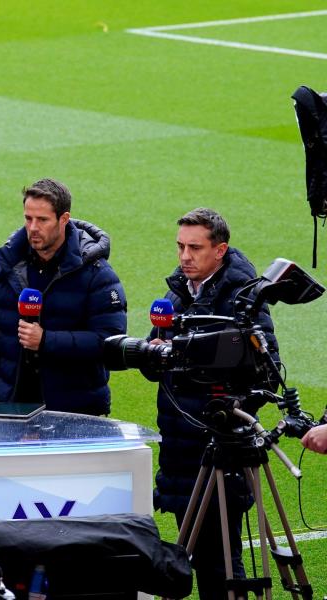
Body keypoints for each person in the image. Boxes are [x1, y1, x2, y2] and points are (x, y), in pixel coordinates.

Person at [147, 208, 277, 598]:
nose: (185, 256)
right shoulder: (176, 293)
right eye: (181, 247)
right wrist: (155, 356)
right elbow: (157, 370)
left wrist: (224, 418)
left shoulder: (244, 300)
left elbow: (265, 372)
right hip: (181, 449)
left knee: (221, 559)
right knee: (198, 556)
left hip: (218, 448)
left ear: (220, 250)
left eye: (195, 248)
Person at [0, 178, 126, 415]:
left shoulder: (97, 275)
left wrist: (46, 340)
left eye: (42, 220)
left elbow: (109, 342)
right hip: (13, 405)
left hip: (74, 411)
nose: (33, 227)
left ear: (64, 219)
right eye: (28, 219)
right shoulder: (6, 266)